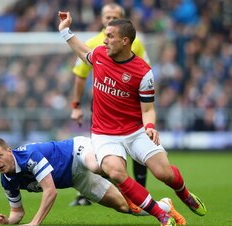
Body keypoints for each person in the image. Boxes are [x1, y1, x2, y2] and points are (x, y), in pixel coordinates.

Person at [58, 12, 206, 226]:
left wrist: (150, 126)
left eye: (109, 36)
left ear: (125, 41)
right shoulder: (100, 55)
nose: (104, 40)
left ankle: (184, 195)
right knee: (116, 172)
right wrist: (65, 30)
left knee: (163, 173)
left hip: (135, 131)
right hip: (104, 133)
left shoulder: (143, 72)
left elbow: (147, 109)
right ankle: (161, 215)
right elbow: (83, 52)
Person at [0, 136, 186, 225]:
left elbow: (50, 191)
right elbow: (17, 213)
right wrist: (8, 221)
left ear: (9, 151)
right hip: (76, 179)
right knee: (125, 208)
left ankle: (120, 150)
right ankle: (165, 206)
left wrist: (35, 223)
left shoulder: (28, 156)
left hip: (77, 151)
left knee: (97, 167)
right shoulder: (7, 181)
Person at [69, 2, 149, 207]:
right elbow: (80, 75)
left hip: (130, 105)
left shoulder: (135, 43)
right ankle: (93, 192)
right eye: (107, 17)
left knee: (138, 148)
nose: (110, 20)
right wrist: (76, 105)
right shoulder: (94, 43)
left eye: (115, 17)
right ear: (102, 19)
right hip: (103, 106)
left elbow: (145, 71)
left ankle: (141, 192)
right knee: (101, 153)